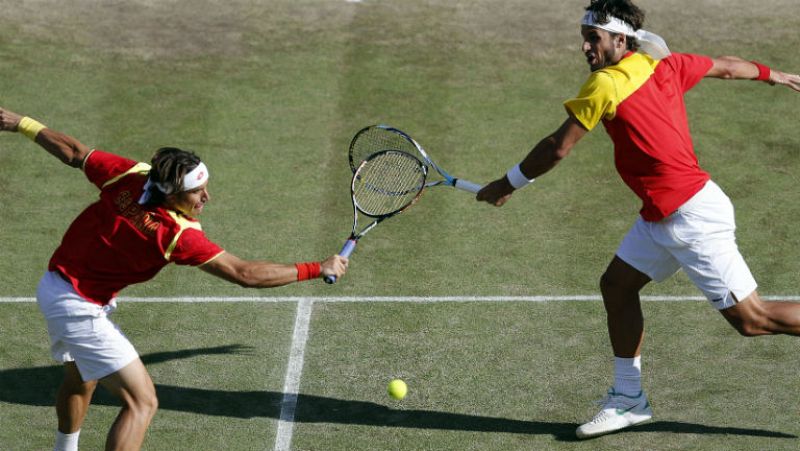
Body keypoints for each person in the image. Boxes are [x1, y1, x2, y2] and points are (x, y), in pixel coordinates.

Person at [476, 0, 800, 440]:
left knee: (753, 319)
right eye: (584, 38)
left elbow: (558, 147)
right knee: (617, 286)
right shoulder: (665, 65)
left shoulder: (605, 84)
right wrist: (771, 73)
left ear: (619, 39)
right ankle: (629, 399)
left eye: (593, 38)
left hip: (691, 216)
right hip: (663, 215)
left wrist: (508, 182)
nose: (585, 47)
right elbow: (725, 67)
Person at [0, 107, 349, 451]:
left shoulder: (132, 176)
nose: (206, 197)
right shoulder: (176, 235)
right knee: (142, 402)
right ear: (171, 193)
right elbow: (244, 274)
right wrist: (317, 268)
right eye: (197, 192)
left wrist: (21, 123)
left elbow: (75, 153)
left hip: (55, 285)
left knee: (81, 378)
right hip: (78, 307)